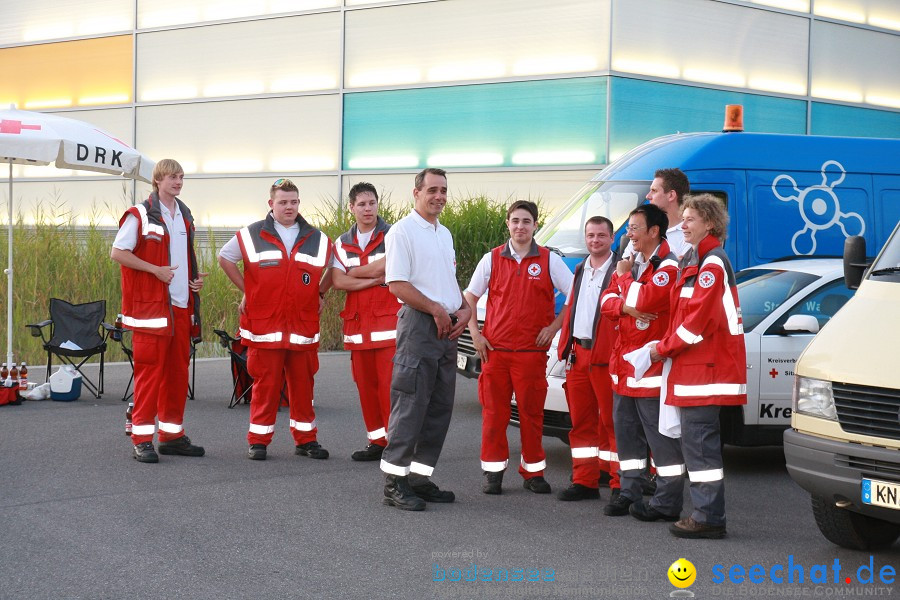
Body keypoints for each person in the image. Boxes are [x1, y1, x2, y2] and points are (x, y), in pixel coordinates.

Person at [650, 193, 747, 539]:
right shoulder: (700, 260)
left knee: (701, 447)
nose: (683, 225)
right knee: (697, 446)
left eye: (690, 219)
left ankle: (708, 518)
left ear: (710, 223)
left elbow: (696, 324)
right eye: (684, 218)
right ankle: (706, 514)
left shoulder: (711, 264)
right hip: (697, 371)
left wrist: (661, 349)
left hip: (704, 373)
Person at [218, 178, 333, 461]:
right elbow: (225, 258)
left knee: (304, 387)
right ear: (271, 204)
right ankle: (258, 441)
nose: (289, 207)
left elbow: (335, 268)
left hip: (302, 329)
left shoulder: (317, 238)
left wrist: (320, 292)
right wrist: (249, 290)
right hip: (265, 328)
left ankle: (306, 440)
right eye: (283, 202)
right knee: (265, 387)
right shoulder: (251, 234)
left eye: (294, 202)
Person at [464, 201, 573, 496]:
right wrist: (475, 334)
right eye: (515, 221)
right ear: (507, 224)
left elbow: (575, 294)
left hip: (530, 354)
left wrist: (553, 328)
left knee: (531, 414)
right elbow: (469, 298)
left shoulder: (549, 260)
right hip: (495, 352)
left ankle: (533, 473)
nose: (520, 227)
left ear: (535, 225)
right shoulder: (492, 259)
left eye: (526, 221)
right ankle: (493, 473)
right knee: (494, 415)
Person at [380, 168, 471, 511]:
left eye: (444, 190)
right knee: (410, 404)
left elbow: (446, 281)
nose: (439, 196)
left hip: (446, 328)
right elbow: (397, 284)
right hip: (420, 326)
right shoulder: (402, 232)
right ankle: (394, 482)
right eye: (432, 189)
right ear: (415, 192)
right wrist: (435, 309)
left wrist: (463, 309)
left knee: (438, 407)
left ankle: (419, 478)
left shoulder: (443, 233)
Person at [111, 158, 206, 463]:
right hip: (150, 311)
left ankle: (172, 436)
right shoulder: (139, 214)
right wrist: (155, 270)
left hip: (179, 307)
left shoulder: (185, 215)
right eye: (172, 177)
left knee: (177, 376)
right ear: (157, 181)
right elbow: (118, 252)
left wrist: (193, 280)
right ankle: (141, 439)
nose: (178, 182)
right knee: (149, 376)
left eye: (181, 177)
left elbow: (183, 256)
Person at [600, 204, 685, 520]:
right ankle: (629, 492)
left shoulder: (668, 267)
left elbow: (647, 300)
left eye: (634, 228)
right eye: (628, 228)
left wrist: (623, 282)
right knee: (627, 440)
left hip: (650, 371)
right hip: (624, 369)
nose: (628, 234)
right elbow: (606, 303)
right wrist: (626, 305)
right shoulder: (632, 263)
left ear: (654, 231)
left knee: (662, 444)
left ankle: (666, 502)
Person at [331, 182, 400, 462]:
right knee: (366, 388)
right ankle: (377, 442)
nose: (368, 209)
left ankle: (397, 444)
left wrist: (355, 274)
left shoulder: (394, 235)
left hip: (389, 328)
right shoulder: (342, 242)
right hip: (358, 329)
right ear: (351, 207)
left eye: (371, 203)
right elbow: (337, 280)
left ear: (377, 205)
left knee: (391, 389)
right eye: (361, 204)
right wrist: (372, 279)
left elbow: (388, 268)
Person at [555, 216, 619, 502]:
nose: (595, 240)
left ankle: (621, 485)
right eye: (591, 235)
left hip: (606, 357)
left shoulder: (621, 271)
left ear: (612, 237)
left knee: (613, 423)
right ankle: (585, 480)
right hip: (577, 355)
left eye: (601, 235)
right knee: (580, 422)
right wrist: (565, 347)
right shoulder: (580, 268)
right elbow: (571, 310)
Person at [624, 168, 691, 259]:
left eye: (654, 190)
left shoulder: (689, 234)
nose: (648, 196)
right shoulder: (643, 229)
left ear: (671, 195)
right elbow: (624, 266)